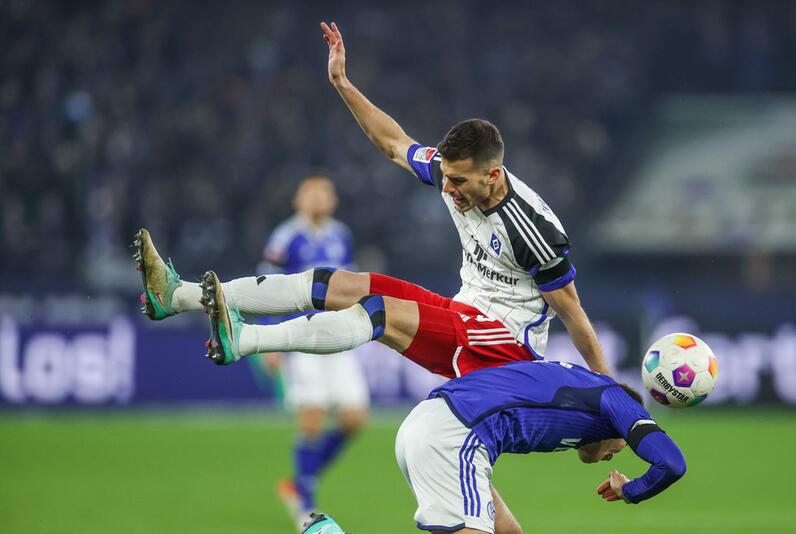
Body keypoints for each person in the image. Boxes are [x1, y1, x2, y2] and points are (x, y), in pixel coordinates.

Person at [132, 19, 608, 377]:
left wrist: (610, 400)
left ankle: (247, 339)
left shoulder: (533, 229)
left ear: (493, 176)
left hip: (504, 350)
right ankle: (177, 296)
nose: (447, 189)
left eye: (459, 182)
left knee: (377, 312)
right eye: (445, 176)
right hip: (464, 311)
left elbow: (575, 317)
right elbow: (393, 142)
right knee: (340, 284)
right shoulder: (450, 172)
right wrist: (342, 83)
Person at [395, 359, 686, 533]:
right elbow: (671, 463)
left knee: (507, 531)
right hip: (456, 436)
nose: (609, 456)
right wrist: (630, 490)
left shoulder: (584, 384)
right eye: (619, 448)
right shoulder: (617, 400)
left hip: (430, 422)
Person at [257, 176, 369, 527]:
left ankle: (300, 481)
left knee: (354, 419)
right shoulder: (285, 237)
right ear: (298, 199)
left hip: (339, 337)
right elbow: (264, 288)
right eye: (311, 193)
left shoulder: (341, 235)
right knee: (312, 419)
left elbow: (351, 285)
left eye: (324, 193)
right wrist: (269, 341)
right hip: (301, 339)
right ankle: (305, 505)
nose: (318, 199)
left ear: (333, 200)